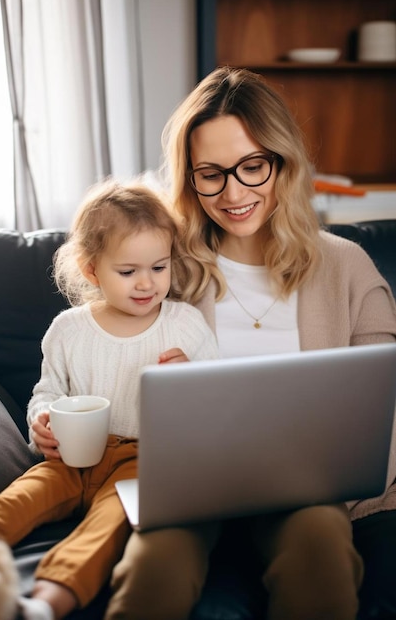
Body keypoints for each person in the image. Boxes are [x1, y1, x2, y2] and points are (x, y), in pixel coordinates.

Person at [104, 67, 396, 620]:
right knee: (153, 569)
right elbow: (98, 351)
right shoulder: (166, 269)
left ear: (282, 162)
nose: (233, 194)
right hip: (187, 493)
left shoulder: (348, 268)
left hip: (308, 495)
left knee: (321, 550)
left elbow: (384, 415)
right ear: (189, 179)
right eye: (210, 174)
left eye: (252, 167)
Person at [0, 179, 219, 620]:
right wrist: (42, 421)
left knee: (106, 528)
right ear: (92, 271)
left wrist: (192, 379)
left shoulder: (184, 324)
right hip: (70, 459)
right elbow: (47, 392)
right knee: (11, 503)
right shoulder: (68, 330)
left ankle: (44, 606)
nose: (147, 283)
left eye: (160, 267)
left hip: (144, 461)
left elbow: (219, 404)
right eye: (128, 272)